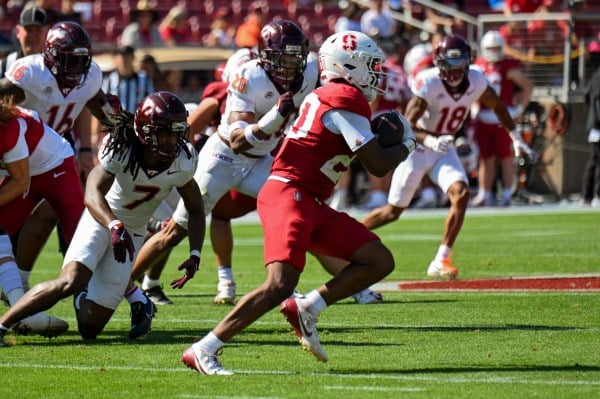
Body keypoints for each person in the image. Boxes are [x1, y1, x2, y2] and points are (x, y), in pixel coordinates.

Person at [180, 30, 415, 375]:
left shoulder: (334, 94)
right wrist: (407, 144)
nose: (377, 73)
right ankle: (205, 348)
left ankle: (309, 307)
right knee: (280, 283)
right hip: (290, 193)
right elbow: (377, 164)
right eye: (370, 65)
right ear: (348, 67)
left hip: (310, 198)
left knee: (377, 260)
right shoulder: (344, 96)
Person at [129, 19, 318, 306]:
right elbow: (240, 140)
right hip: (224, 158)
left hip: (260, 161)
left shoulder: (311, 69)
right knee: (173, 232)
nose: (293, 62)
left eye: (296, 54)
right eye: (285, 56)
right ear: (267, 56)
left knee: (294, 208)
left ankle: (285, 286)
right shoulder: (248, 77)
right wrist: (276, 116)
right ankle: (122, 283)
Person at [0, 91, 206, 346]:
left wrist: (195, 252)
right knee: (70, 280)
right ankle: (3, 325)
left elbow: (196, 208)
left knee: (90, 328)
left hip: (133, 232)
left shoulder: (184, 160)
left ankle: (110, 299)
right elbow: (92, 192)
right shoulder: (122, 147)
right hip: (101, 219)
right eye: (164, 133)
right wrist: (112, 223)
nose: (171, 140)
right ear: (144, 132)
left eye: (176, 133)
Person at [362, 34, 537, 280]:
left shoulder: (476, 79)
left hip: (445, 150)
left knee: (461, 193)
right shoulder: (429, 82)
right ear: (438, 65)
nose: (454, 73)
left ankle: (441, 258)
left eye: (459, 67)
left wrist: (516, 138)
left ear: (468, 63)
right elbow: (408, 125)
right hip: (419, 149)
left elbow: (497, 105)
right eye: (448, 66)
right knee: (392, 212)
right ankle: (350, 236)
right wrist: (432, 139)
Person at [0, 21, 123, 299]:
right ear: (53, 57)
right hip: (20, 151)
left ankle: (27, 285)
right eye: (70, 59)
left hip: (58, 155)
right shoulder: (30, 73)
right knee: (13, 223)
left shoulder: (90, 77)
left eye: (82, 59)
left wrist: (120, 124)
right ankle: (17, 286)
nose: (78, 68)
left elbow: (102, 110)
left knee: (70, 220)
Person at [0, 98, 82, 337]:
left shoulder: (10, 125)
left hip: (55, 164)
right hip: (22, 172)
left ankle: (134, 295)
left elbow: (20, 181)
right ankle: (22, 306)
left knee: (81, 238)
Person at [471, 30, 533, 207]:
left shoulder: (508, 66)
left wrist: (519, 108)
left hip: (502, 119)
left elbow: (527, 87)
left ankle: (506, 193)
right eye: (490, 48)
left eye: (497, 47)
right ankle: (485, 193)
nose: (493, 51)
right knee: (485, 159)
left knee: (506, 158)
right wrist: (474, 107)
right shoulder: (478, 65)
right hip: (483, 118)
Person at [101, 45, 154, 113]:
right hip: (116, 123)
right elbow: (102, 109)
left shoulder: (144, 79)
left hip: (137, 122)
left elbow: (151, 105)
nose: (123, 60)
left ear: (133, 58)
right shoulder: (109, 80)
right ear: (116, 59)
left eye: (126, 56)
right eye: (121, 56)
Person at [0, 6, 48, 78]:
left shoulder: (53, 66)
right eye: (28, 29)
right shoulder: (6, 65)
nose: (33, 35)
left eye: (38, 30)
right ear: (18, 32)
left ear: (46, 32)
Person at [582, 65, 600, 206]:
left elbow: (587, 97)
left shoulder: (595, 75)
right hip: (597, 125)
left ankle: (587, 196)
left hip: (594, 124)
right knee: (597, 161)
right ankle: (596, 195)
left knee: (594, 160)